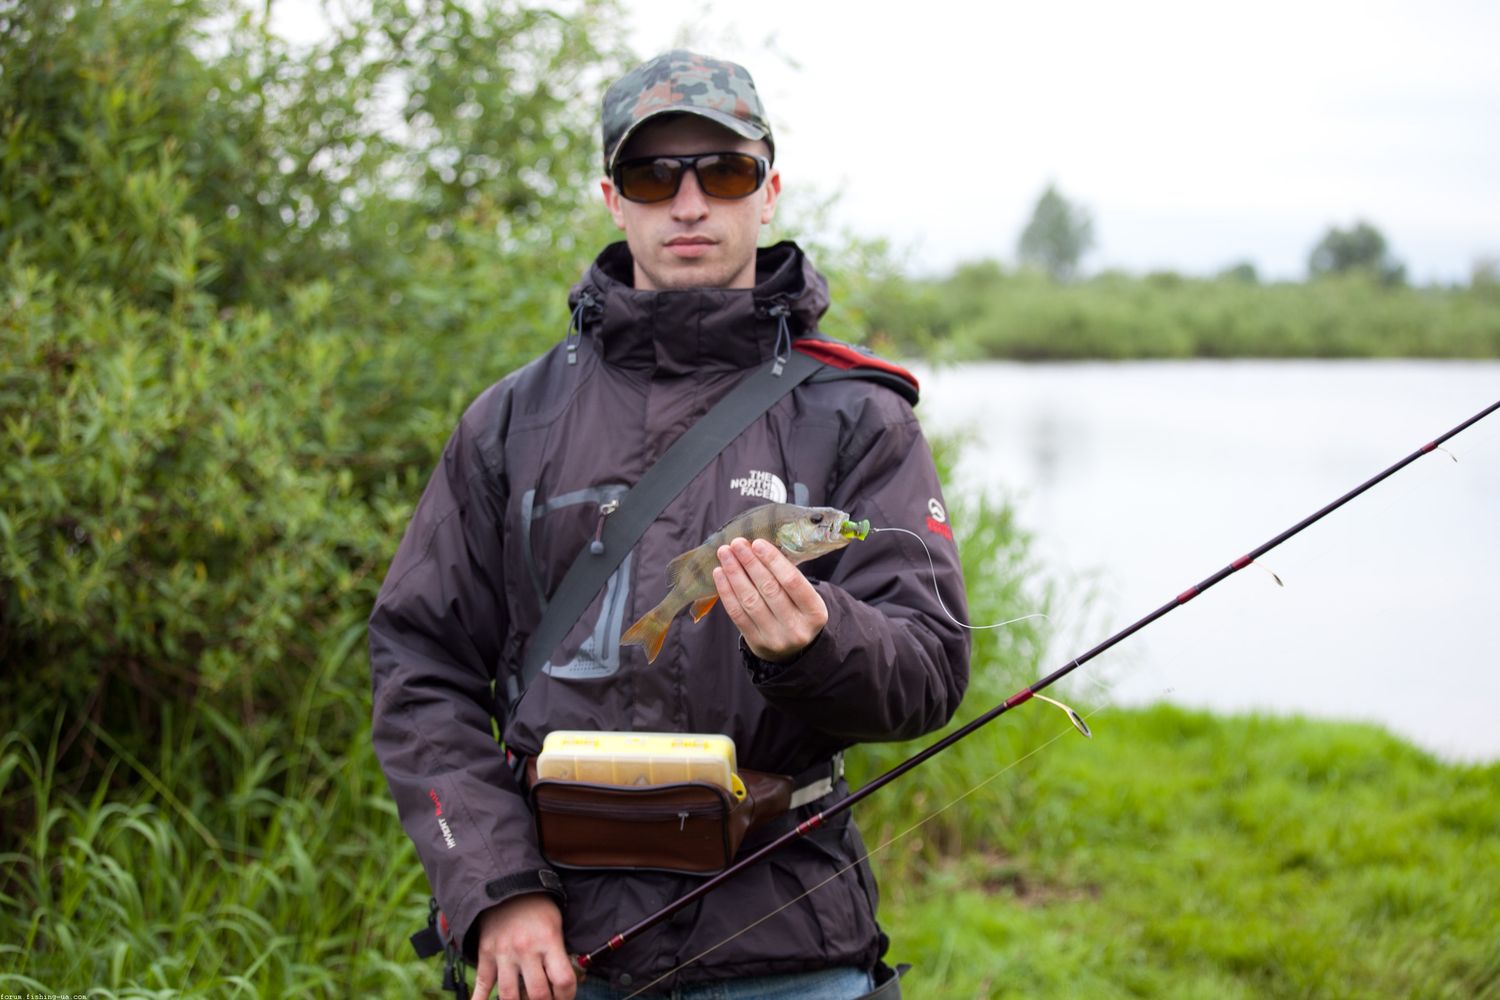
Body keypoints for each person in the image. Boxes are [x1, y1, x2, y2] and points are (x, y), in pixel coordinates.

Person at [369, 50, 971, 1000]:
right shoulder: (510, 420)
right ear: (614, 199)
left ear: (768, 191)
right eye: (654, 176)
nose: (689, 204)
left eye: (724, 172)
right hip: (552, 948)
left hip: (788, 948)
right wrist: (496, 889)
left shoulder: (860, 415)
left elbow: (930, 671)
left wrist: (818, 644)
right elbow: (418, 665)